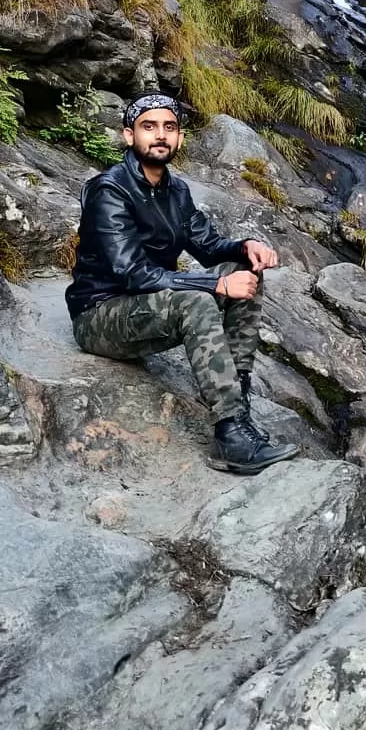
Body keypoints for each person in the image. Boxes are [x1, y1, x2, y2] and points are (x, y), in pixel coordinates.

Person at [65, 92, 299, 475]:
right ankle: (230, 438)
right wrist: (215, 286)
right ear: (129, 136)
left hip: (150, 309)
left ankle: (237, 410)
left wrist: (245, 246)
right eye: (149, 127)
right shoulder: (109, 190)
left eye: (169, 127)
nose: (160, 135)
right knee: (199, 299)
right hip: (100, 316)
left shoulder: (176, 191)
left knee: (243, 273)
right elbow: (132, 272)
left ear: (179, 138)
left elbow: (208, 247)